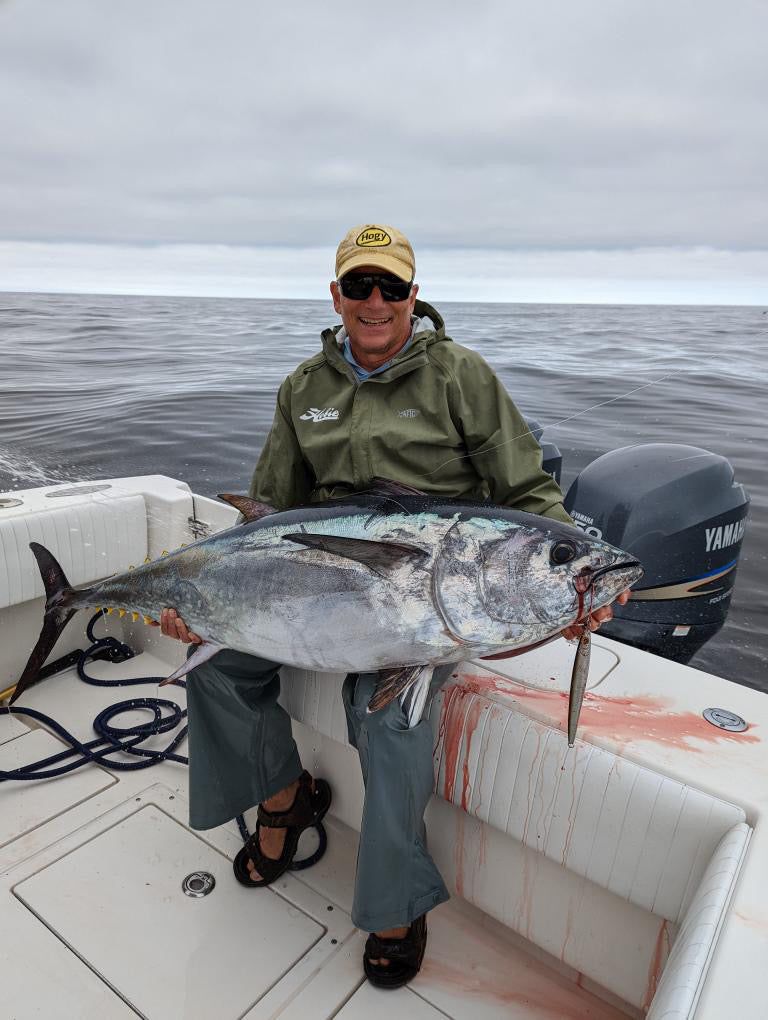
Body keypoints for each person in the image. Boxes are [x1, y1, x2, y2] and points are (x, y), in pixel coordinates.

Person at [159, 223, 629, 988]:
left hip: (431, 597)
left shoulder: (460, 377)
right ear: (336, 295)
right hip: (319, 585)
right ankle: (286, 802)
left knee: (391, 718)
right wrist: (205, 597)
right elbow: (274, 508)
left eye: (391, 287)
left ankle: (396, 902)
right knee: (214, 667)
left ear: (415, 294)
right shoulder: (302, 388)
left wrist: (575, 576)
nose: (375, 302)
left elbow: (529, 493)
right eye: (359, 286)